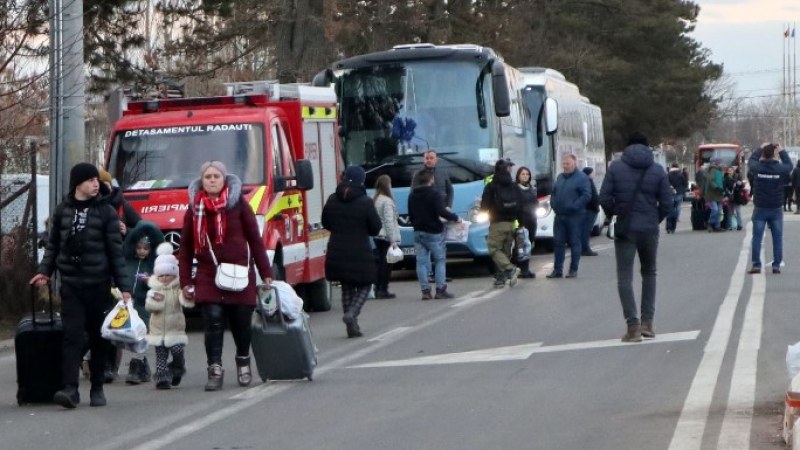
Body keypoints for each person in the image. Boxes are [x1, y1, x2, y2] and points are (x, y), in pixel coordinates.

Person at [30, 162, 132, 408]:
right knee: (72, 336)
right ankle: (70, 389)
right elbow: (52, 245)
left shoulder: (106, 212)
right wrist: (44, 272)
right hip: (72, 285)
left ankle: (97, 388)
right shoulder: (63, 210)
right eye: (90, 180)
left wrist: (124, 286)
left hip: (98, 284)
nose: (96, 184)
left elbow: (115, 252)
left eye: (97, 180)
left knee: (98, 337)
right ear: (78, 184)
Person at [177, 161, 272, 391]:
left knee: (241, 323)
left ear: (224, 179)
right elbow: (186, 248)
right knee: (213, 321)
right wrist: (186, 282)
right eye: (207, 177)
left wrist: (266, 273)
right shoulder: (194, 208)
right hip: (209, 273)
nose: (211, 180)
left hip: (240, 273)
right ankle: (215, 368)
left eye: (216, 176)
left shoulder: (239, 205)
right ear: (202, 181)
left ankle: (242, 360)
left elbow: (255, 241)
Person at [599, 132, 672, 342]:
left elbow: (603, 197)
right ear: (647, 147)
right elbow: (667, 203)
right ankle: (648, 322)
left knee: (624, 277)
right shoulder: (657, 170)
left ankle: (633, 327)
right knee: (649, 273)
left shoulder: (616, 168)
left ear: (627, 147)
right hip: (649, 228)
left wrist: (617, 213)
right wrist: (654, 218)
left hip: (626, 228)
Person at [322, 166, 382, 337]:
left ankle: (351, 327)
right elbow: (375, 228)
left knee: (347, 286)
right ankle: (352, 313)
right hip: (360, 250)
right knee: (365, 284)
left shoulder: (333, 199)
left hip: (337, 249)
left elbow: (326, 222)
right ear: (361, 180)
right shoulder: (365, 201)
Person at [121, 221, 165, 384]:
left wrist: (150, 281)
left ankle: (137, 363)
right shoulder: (128, 261)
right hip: (128, 303)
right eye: (139, 248)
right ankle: (141, 364)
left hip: (145, 304)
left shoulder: (154, 264)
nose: (141, 251)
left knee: (142, 334)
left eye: (145, 248)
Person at [145, 242, 194, 389]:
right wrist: (156, 302)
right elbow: (149, 306)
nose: (165, 278)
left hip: (175, 328)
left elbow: (185, 301)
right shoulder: (153, 289)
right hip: (158, 329)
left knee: (177, 351)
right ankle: (162, 379)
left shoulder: (177, 288)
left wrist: (188, 295)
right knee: (161, 355)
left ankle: (178, 366)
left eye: (168, 275)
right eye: (162, 275)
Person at [408, 169, 461, 299]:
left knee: (421, 262)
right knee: (439, 260)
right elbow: (441, 212)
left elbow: (411, 214)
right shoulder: (434, 194)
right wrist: (455, 218)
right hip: (433, 231)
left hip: (418, 231)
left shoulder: (412, 195)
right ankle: (440, 289)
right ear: (430, 180)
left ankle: (425, 291)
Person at [746, 143, 792, 274]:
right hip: (776, 207)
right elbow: (789, 165)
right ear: (774, 154)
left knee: (757, 237)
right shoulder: (780, 169)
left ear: (763, 155)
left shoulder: (758, 168)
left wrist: (759, 148)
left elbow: (751, 161)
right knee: (777, 238)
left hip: (760, 207)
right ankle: (776, 265)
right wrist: (782, 151)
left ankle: (756, 265)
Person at [546, 154, 591, 279]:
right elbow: (554, 193)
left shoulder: (582, 178)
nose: (565, 166)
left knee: (575, 242)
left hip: (575, 216)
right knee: (558, 243)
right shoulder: (560, 177)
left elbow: (586, 195)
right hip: (560, 215)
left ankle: (573, 269)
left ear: (574, 164)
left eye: (568, 164)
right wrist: (553, 203)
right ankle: (557, 270)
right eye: (564, 164)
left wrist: (574, 206)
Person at [481, 159, 522, 288]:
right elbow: (521, 205)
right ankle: (501, 277)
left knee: (493, 249)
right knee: (505, 251)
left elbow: (485, 205)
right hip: (511, 223)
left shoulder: (492, 185)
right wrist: (520, 223)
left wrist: (482, 211)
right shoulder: (514, 185)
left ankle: (510, 269)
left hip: (497, 222)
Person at [372, 175, 401, 299]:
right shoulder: (387, 201)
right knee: (387, 264)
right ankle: (383, 289)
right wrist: (393, 239)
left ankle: (378, 287)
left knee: (380, 264)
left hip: (377, 235)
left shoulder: (376, 199)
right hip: (386, 236)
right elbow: (389, 221)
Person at [515, 166, 538, 278]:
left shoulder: (532, 189)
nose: (525, 176)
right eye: (523, 174)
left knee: (529, 244)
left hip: (532, 220)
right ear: (518, 176)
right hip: (520, 221)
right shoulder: (515, 189)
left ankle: (526, 268)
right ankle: (521, 269)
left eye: (527, 174)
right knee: (520, 245)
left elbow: (535, 203)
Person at [580, 167, 600, 255]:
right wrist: (595, 206)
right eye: (592, 172)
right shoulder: (587, 181)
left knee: (586, 229)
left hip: (590, 209)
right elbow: (590, 196)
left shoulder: (586, 181)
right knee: (586, 230)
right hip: (589, 209)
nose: (594, 174)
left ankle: (584, 248)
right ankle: (584, 249)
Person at [702, 157, 725, 232]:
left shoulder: (720, 170)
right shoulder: (712, 170)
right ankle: (710, 223)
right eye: (719, 162)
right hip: (711, 193)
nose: (721, 163)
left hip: (719, 193)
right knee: (715, 209)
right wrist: (716, 187)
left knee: (718, 210)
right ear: (715, 162)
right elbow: (711, 180)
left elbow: (722, 181)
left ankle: (717, 226)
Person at [666, 163, 688, 233]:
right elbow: (685, 183)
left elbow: (665, 184)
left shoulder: (668, 175)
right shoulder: (680, 174)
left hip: (670, 193)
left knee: (670, 209)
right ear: (677, 167)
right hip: (679, 193)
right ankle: (673, 227)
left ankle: (669, 227)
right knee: (677, 208)